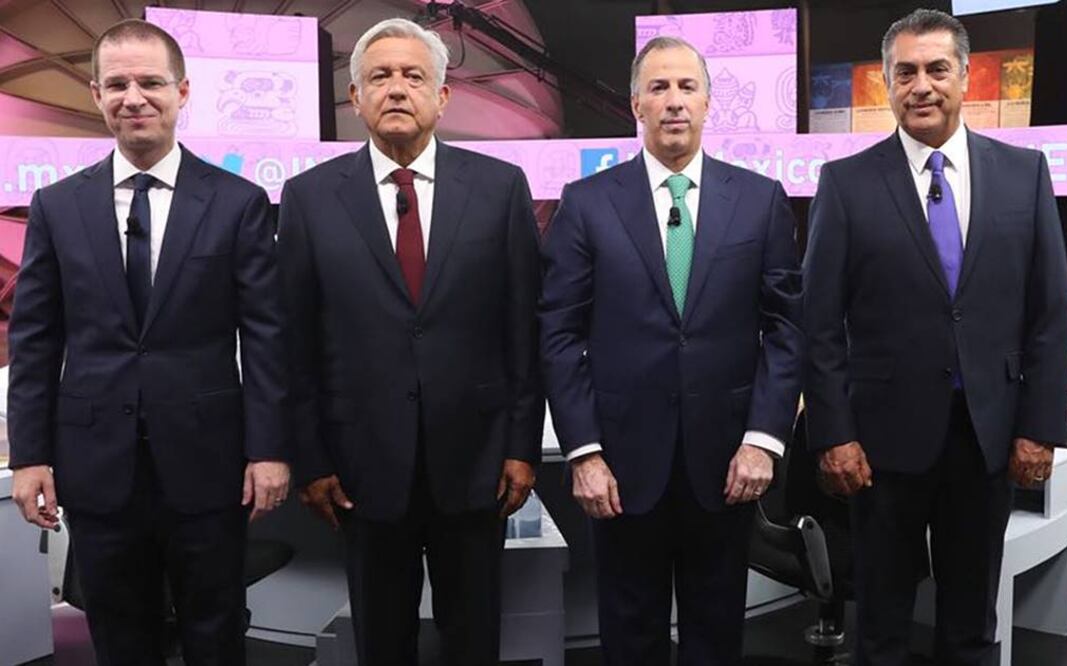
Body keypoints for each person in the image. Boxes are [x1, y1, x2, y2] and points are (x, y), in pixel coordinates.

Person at [6, 18, 290, 666]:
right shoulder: (55, 206)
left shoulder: (239, 203)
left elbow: (268, 337)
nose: (134, 97)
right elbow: (36, 339)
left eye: (151, 82)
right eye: (118, 84)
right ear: (95, 94)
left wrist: (269, 448)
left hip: (209, 465)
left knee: (215, 631)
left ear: (182, 92)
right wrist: (30, 457)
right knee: (119, 633)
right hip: (97, 466)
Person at [803, 9, 1067, 665]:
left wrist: (1039, 426)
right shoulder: (845, 183)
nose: (920, 85)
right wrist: (833, 433)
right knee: (883, 629)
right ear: (888, 86)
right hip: (880, 446)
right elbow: (818, 320)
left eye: (935, 69)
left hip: (987, 439)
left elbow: (1048, 313)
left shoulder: (1024, 173)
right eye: (904, 73)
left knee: (970, 624)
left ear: (964, 77)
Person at [276, 17, 543, 666]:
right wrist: (310, 459)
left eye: (413, 75)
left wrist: (519, 445)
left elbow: (523, 330)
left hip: (477, 460)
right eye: (379, 77)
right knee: (382, 639)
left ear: (442, 96)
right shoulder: (308, 199)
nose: (397, 88)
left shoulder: (500, 188)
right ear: (356, 98)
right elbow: (295, 341)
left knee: (474, 634)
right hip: (359, 466)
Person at [539, 36, 803, 665]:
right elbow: (558, 333)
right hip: (622, 468)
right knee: (630, 638)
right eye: (658, 88)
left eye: (687, 87)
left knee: (717, 636)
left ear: (709, 103)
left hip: (728, 462)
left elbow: (789, 329)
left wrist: (764, 439)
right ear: (636, 103)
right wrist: (584, 452)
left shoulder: (760, 200)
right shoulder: (587, 205)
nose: (674, 101)